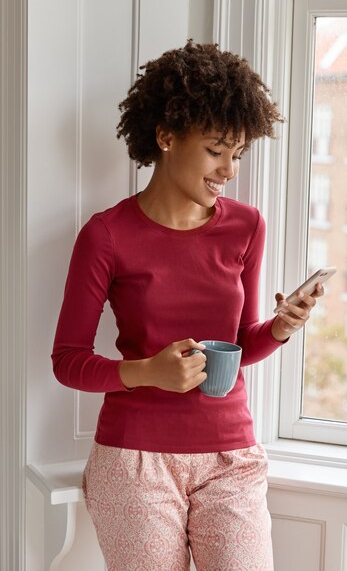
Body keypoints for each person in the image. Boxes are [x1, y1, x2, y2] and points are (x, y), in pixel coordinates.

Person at [52, 40, 323, 571]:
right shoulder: (106, 236)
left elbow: (238, 347)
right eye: (217, 149)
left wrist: (283, 327)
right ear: (167, 136)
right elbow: (67, 361)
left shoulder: (246, 226)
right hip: (134, 463)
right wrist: (148, 372)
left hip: (231, 458)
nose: (229, 169)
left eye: (238, 154)